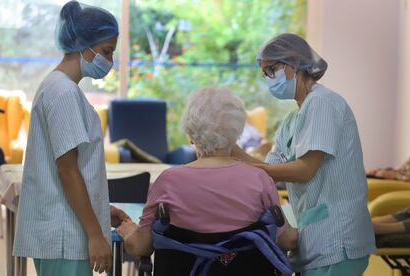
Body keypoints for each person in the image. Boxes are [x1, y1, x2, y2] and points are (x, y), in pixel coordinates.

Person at [232, 33, 376, 276]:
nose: (268, 79)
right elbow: (270, 173)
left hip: (337, 239)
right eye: (264, 73)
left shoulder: (323, 103)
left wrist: (243, 161)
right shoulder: (292, 120)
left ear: (293, 64)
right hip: (314, 239)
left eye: (271, 70)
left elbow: (304, 170)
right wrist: (232, 155)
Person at [116, 87, 298, 268]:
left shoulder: (168, 181)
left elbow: (141, 246)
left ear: (191, 135)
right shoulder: (259, 179)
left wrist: (128, 232)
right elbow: (286, 241)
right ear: (236, 134)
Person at [13, 2, 128, 275]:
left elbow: (74, 170)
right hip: (66, 234)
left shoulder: (59, 88)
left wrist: (99, 210)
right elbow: (67, 170)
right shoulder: (63, 92)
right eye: (106, 51)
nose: (109, 62)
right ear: (82, 44)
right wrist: (95, 234)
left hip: (65, 228)